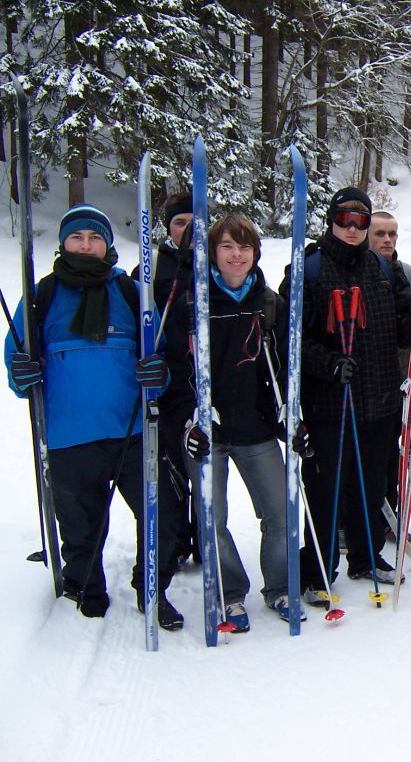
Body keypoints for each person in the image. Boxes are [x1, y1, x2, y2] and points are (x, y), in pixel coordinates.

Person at [4, 204, 183, 628]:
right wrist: (22, 374)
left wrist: (158, 375)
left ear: (107, 245)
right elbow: (17, 361)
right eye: (77, 237)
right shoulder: (42, 296)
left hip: (132, 430)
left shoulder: (130, 293)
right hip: (68, 434)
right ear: (63, 243)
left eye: (95, 237)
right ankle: (86, 589)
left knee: (162, 516)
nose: (86, 245)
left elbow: (158, 355)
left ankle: (152, 589)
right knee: (80, 526)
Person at [279, 186, 411, 608]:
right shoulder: (309, 269)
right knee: (326, 490)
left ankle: (365, 555)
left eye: (361, 221)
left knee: (372, 486)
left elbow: (403, 331)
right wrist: (329, 363)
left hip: (380, 399)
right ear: (332, 220)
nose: (353, 229)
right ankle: (318, 569)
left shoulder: (382, 268)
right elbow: (289, 340)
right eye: (344, 220)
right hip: (330, 403)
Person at [173, 214, 311, 631]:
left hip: (255, 428)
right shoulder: (191, 303)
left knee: (280, 512)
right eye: (228, 246)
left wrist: (291, 414)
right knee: (212, 520)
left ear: (255, 253)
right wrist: (189, 421)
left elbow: (286, 367)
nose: (237, 255)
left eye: (245, 247)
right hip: (208, 430)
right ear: (213, 253)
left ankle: (280, 587)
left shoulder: (268, 303)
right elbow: (176, 371)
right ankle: (230, 593)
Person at [152, 192, 199, 567]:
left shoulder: (216, 262)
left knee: (204, 465)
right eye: (180, 223)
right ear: (169, 228)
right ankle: (178, 538)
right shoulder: (153, 269)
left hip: (205, 382)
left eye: (194, 223)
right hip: (169, 384)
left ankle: (203, 536)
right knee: (173, 468)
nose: (187, 230)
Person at [368, 210, 411, 527]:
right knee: (364, 456)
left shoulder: (408, 274)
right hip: (362, 382)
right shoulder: (356, 273)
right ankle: (358, 521)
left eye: (392, 233)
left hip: (396, 379)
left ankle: (388, 517)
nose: (388, 240)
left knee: (391, 453)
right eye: (380, 234)